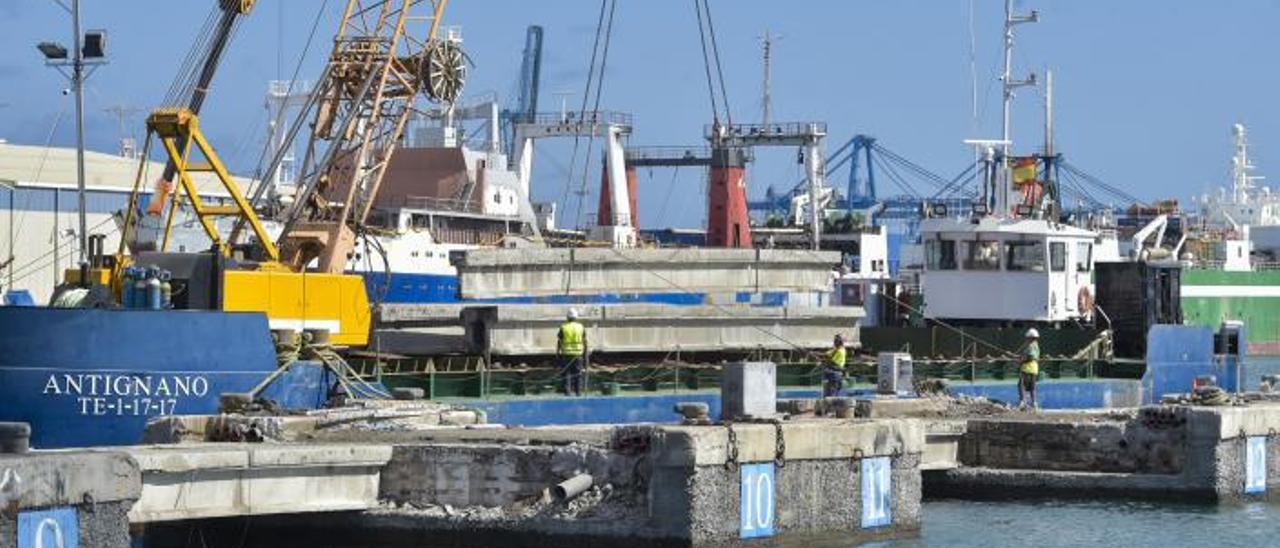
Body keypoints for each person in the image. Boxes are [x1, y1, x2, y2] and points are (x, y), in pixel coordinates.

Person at [557, 308, 587, 396]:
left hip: (566, 354)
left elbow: (559, 341)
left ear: (567, 317)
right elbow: (584, 341)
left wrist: (558, 352)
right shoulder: (581, 327)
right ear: (576, 317)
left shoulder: (563, 327)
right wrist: (585, 355)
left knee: (567, 374)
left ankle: (567, 392)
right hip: (578, 354)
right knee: (578, 374)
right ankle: (578, 392)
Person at [1018, 328, 1040, 409]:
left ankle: (1023, 402)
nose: (1027, 339)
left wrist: (1022, 361)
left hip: (1027, 368)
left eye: (1028, 338)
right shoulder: (1036, 345)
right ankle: (1034, 403)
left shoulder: (1031, 346)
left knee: (1021, 385)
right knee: (1032, 387)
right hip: (1034, 368)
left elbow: (1030, 356)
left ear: (1030, 337)